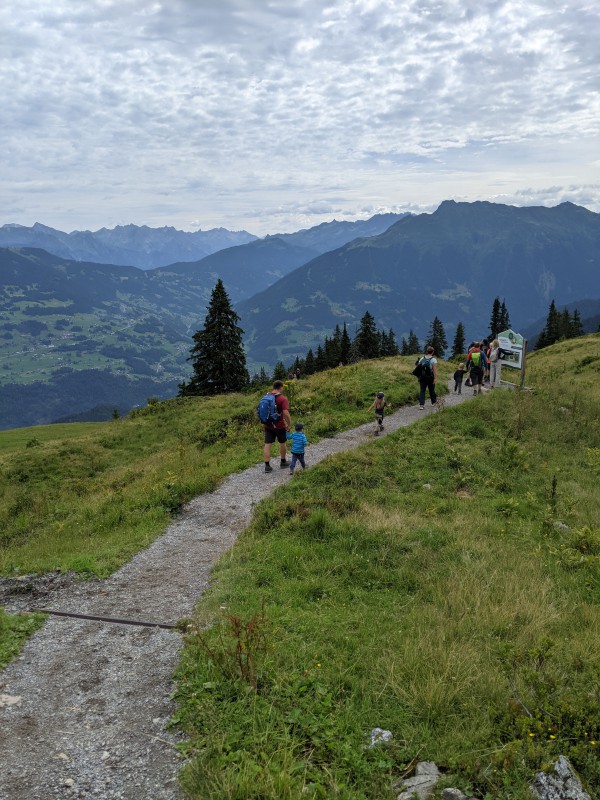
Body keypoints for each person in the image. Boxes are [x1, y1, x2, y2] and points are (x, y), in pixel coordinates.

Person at [262, 380, 291, 473]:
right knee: (282, 442)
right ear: (281, 387)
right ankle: (283, 462)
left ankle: (267, 466)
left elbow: (263, 411)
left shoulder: (266, 397)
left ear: (273, 387)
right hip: (279, 425)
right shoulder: (282, 398)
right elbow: (286, 413)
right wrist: (289, 424)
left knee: (267, 444)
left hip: (268, 425)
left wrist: (263, 423)